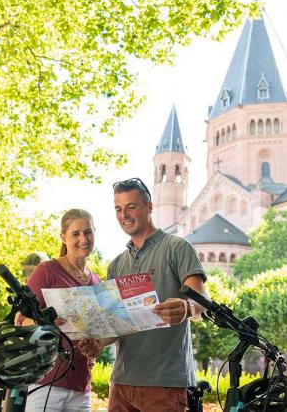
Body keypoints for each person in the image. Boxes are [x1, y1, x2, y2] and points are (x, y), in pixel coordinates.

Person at [78, 177, 207, 412]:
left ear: (149, 207)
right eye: (118, 209)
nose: (124, 214)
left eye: (131, 206)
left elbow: (203, 304)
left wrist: (188, 308)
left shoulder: (177, 247)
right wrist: (97, 343)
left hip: (164, 383)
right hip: (121, 382)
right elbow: (114, 325)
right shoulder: (116, 265)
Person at [16, 209, 101, 412]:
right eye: (76, 233)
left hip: (81, 387)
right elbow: (20, 320)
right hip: (45, 385)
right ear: (63, 237)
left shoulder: (97, 282)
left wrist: (97, 345)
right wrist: (44, 324)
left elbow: (98, 332)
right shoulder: (47, 271)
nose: (83, 239)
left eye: (88, 232)